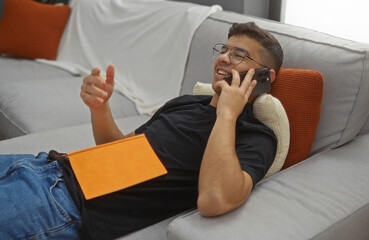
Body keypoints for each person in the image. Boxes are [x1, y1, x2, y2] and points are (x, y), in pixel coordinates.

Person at [0, 22, 283, 239]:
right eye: (223, 50)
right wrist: (100, 108)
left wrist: (228, 114)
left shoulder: (256, 136)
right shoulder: (185, 103)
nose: (223, 58)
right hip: (44, 164)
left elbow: (214, 199)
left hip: (61, 203)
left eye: (238, 56)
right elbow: (120, 149)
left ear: (263, 78)